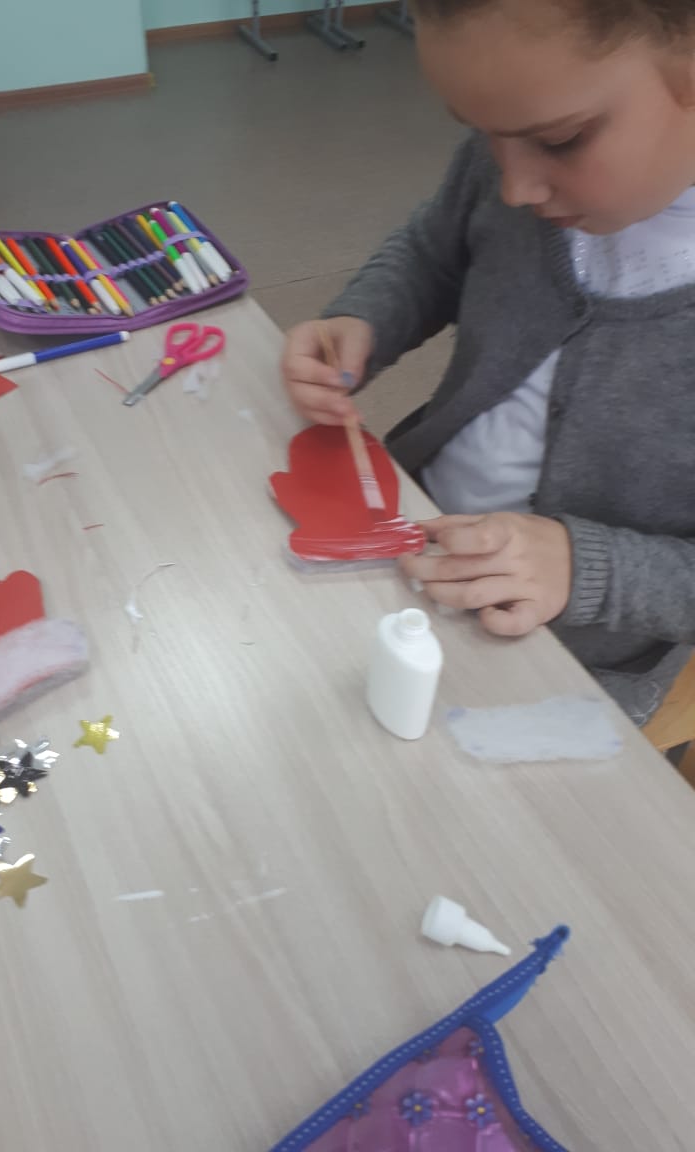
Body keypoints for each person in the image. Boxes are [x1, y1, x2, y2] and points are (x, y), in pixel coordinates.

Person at [281, 0, 695, 724]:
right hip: (409, 534)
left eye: (561, 140)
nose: (515, 187)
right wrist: (363, 318)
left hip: (570, 658)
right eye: (483, 134)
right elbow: (434, 248)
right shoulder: (514, 149)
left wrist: (584, 568)